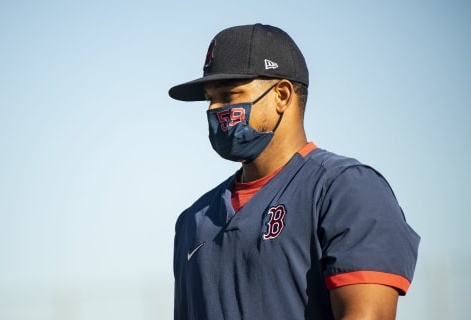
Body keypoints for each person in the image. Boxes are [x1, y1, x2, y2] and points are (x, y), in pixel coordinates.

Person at [168, 23, 420, 320]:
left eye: (228, 95)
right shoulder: (193, 220)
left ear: (282, 95)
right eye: (210, 99)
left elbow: (367, 315)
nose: (214, 108)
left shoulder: (346, 189)